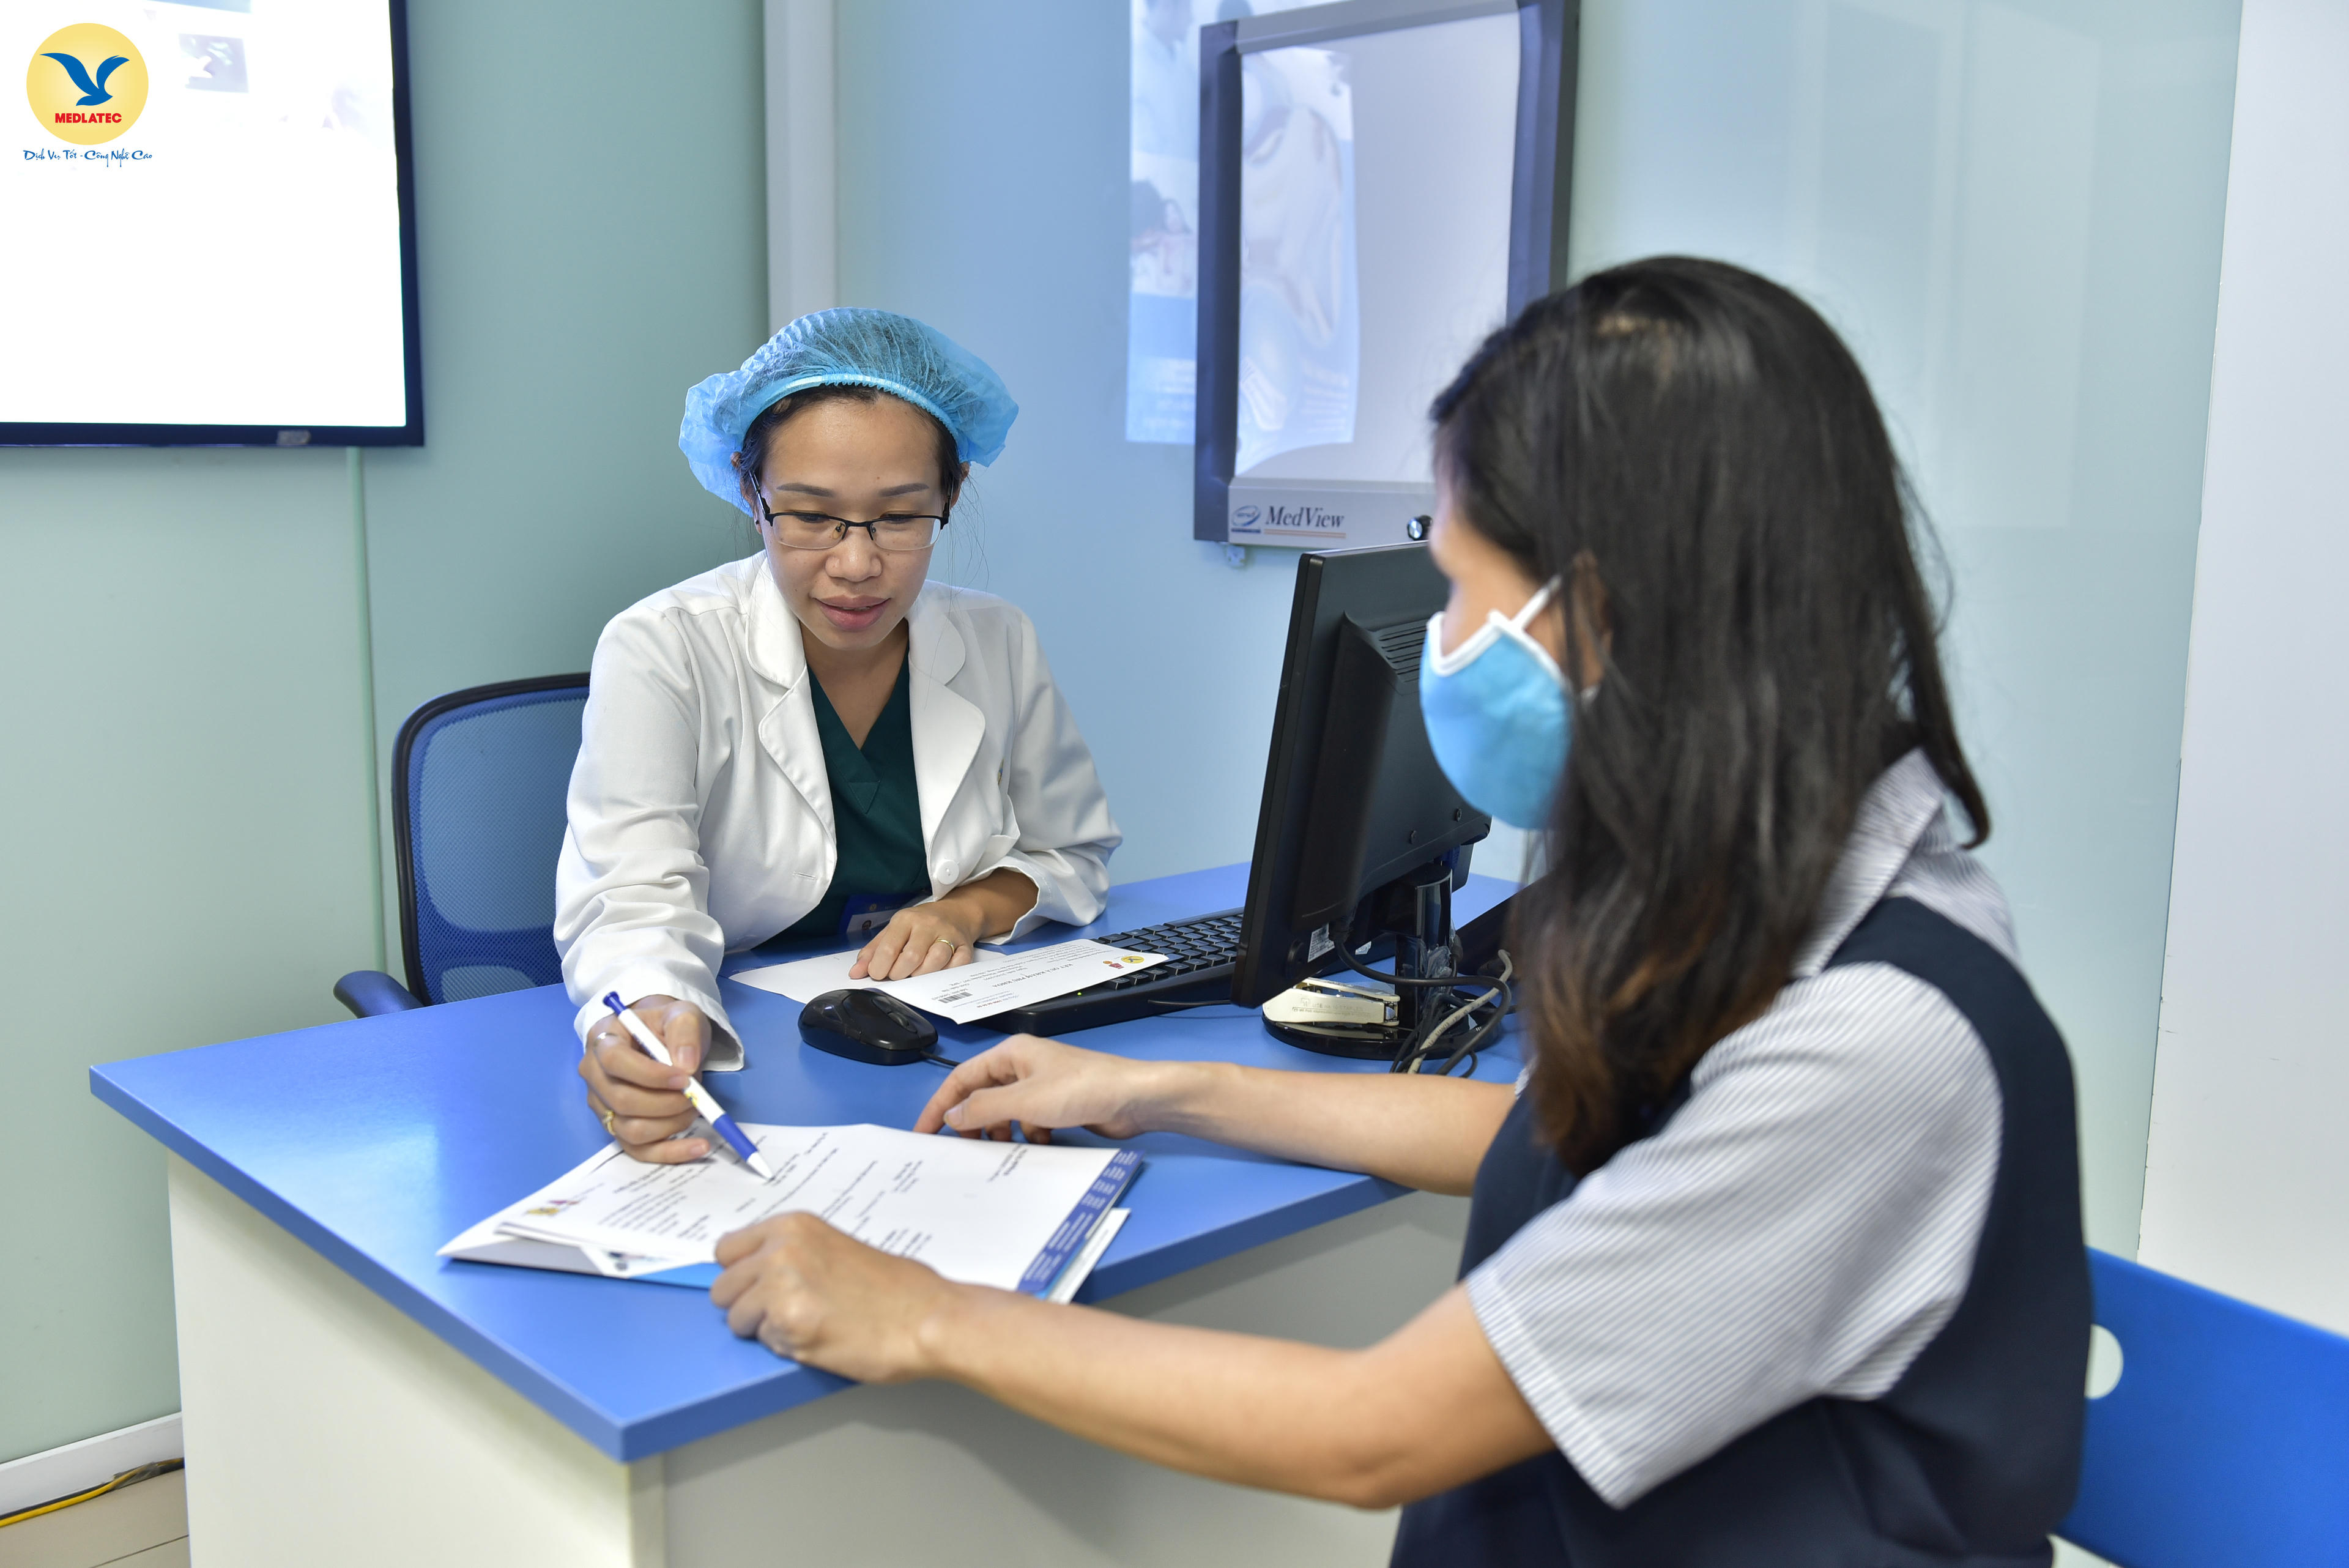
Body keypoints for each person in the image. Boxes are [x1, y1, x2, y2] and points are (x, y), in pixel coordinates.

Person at [698, 259, 2093, 1564]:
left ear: (1605, 614)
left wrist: (923, 1314)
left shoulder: (1870, 1036)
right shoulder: (1764, 895)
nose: (1446, 641)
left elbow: (1374, 1432)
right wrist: (1163, 1090)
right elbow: (1565, 1141)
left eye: (1463, 585)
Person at [558, 308, 1121, 1165]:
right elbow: (632, 897)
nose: (856, 565)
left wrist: (966, 909)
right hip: (757, 1055)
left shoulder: (998, 639)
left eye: (899, 517)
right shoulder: (663, 646)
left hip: (939, 1048)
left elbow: (1070, 852)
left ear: (951, 495)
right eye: (810, 516)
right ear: (751, 493)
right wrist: (651, 1010)